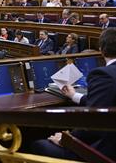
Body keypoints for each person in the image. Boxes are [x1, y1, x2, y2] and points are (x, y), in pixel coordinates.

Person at [31, 29, 116, 161]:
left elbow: (94, 121)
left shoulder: (103, 75)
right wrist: (74, 95)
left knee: (39, 145)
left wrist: (67, 139)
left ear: (102, 50)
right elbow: (108, 101)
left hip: (104, 152)